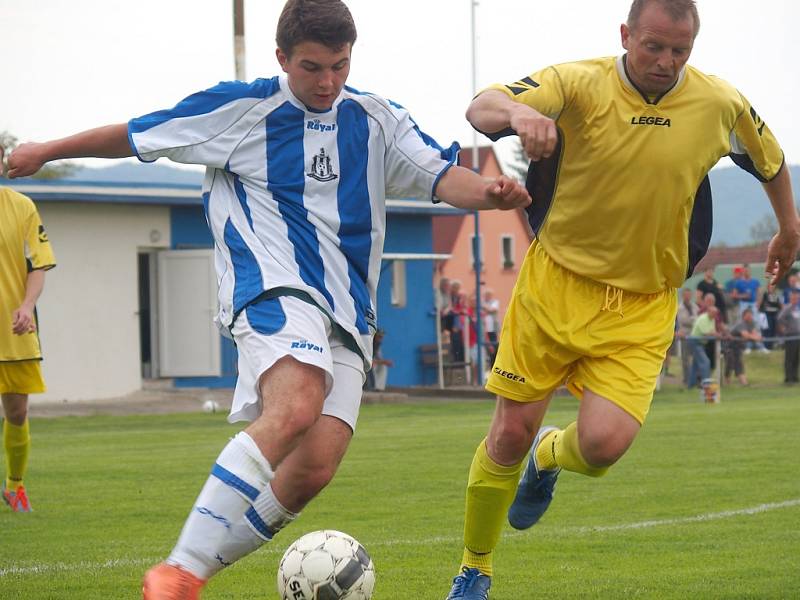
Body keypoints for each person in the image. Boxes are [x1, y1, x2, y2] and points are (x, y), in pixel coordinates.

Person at [7, 1, 531, 597]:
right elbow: (134, 134)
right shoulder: (240, 110)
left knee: (315, 467)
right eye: (312, 67)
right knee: (298, 402)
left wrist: (491, 191)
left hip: (349, 310)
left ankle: (192, 571)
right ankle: (178, 568)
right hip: (271, 285)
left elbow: (439, 174)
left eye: (339, 65)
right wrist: (47, 150)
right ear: (282, 58)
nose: (328, 81)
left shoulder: (377, 118)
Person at [443, 1, 800, 597]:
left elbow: (770, 159)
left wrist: (788, 228)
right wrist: (518, 113)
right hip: (555, 286)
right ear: (625, 34)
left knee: (604, 447)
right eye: (653, 47)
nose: (665, 62)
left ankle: (550, 457)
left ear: (693, 46)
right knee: (508, 433)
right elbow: (482, 105)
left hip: (643, 303)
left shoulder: (720, 104)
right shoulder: (579, 83)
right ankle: (474, 568)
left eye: (679, 51)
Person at [0, 153, 57, 513]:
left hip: (14, 328)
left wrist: (25, 305)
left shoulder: (21, 207)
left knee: (17, 411)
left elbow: (38, 264)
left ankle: (15, 486)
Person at [723, 308, 762, 386]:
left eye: (751, 315)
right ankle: (727, 382)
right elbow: (746, 335)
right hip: (729, 346)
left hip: (738, 347)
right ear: (743, 316)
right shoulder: (741, 324)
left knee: (739, 364)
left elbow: (755, 334)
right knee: (730, 364)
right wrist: (755, 337)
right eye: (748, 316)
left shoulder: (752, 323)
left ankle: (744, 383)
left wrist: (756, 336)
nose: (750, 317)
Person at [688, 305, 719, 388]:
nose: (715, 315)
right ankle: (706, 385)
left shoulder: (712, 319)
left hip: (701, 342)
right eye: (713, 313)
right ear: (708, 312)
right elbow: (706, 333)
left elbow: (712, 332)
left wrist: (713, 333)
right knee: (706, 362)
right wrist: (713, 333)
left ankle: (690, 385)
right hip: (695, 341)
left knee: (695, 364)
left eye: (716, 313)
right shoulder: (703, 319)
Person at [675, 287, 699, 386]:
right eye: (685, 295)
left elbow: (697, 319)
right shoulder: (679, 307)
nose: (687, 296)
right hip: (684, 335)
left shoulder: (695, 306)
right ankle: (687, 379)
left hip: (694, 335)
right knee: (685, 359)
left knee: (695, 358)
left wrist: (692, 320)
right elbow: (683, 320)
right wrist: (693, 319)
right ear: (682, 296)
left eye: (689, 294)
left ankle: (694, 380)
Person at [777, 290, 800, 384]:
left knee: (796, 357)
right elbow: (780, 318)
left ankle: (794, 376)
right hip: (790, 336)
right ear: (791, 298)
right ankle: (788, 377)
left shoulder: (798, 309)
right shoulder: (787, 308)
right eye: (793, 298)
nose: (795, 299)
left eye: (797, 298)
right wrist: (786, 328)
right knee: (789, 357)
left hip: (798, 336)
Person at [758, 281, 783, 349]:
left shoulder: (776, 295)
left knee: (773, 330)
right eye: (770, 286)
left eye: (773, 286)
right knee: (768, 330)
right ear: (768, 287)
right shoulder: (765, 294)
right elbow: (759, 305)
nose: (772, 287)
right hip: (767, 315)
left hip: (775, 315)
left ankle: (771, 346)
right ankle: (766, 346)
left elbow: (780, 306)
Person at [482, 288, 501, 367]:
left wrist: (484, 307)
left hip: (493, 329)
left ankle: (493, 364)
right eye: (486, 295)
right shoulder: (483, 302)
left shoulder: (495, 302)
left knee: (493, 346)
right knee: (486, 348)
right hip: (484, 329)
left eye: (489, 295)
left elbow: (492, 309)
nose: (487, 296)